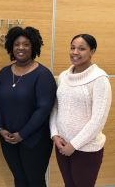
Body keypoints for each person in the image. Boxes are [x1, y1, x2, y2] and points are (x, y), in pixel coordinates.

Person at [0, 26, 57, 187]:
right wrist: (1, 129)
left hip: (35, 140)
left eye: (26, 44)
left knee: (35, 181)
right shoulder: (4, 73)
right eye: (17, 44)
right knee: (19, 180)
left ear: (33, 46)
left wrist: (23, 134)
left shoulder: (43, 75)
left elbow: (43, 109)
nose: (21, 47)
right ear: (11, 47)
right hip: (8, 139)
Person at [50, 34, 112, 187]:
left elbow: (98, 120)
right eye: (72, 48)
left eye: (81, 48)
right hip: (62, 146)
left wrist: (74, 145)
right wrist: (55, 135)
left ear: (92, 51)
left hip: (86, 149)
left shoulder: (100, 79)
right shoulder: (64, 76)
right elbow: (56, 107)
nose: (75, 52)